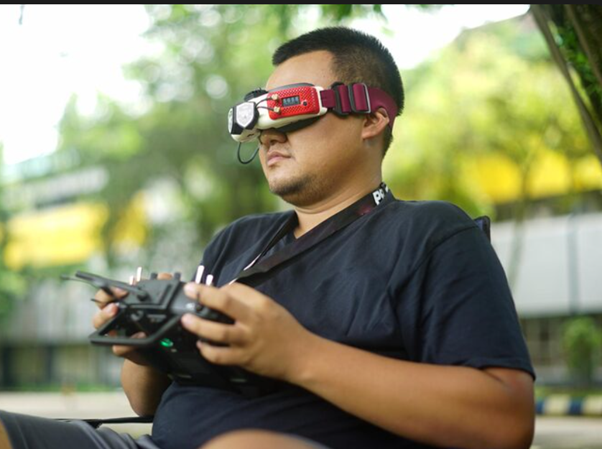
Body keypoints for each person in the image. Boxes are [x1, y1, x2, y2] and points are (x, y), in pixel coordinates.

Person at [0, 27, 535, 449]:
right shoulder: (238, 241)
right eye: (257, 113)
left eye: (291, 107)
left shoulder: (432, 233)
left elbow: (506, 422)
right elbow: (147, 406)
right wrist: (149, 345)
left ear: (371, 118)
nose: (266, 132)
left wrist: (298, 355)